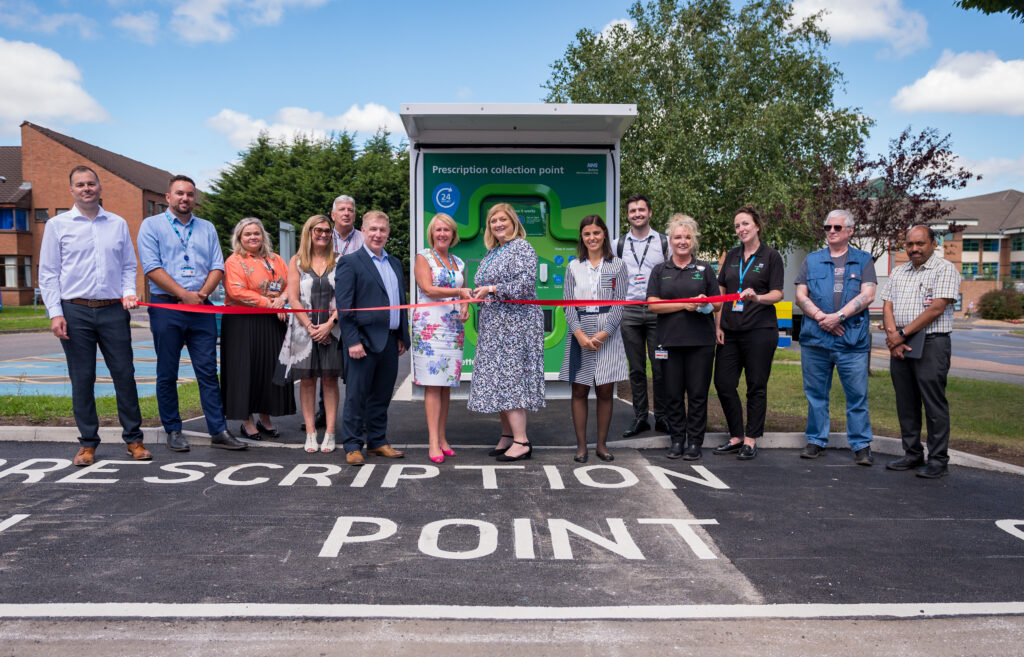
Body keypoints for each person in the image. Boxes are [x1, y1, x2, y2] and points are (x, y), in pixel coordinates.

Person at [38, 165, 150, 466]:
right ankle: (87, 443)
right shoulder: (57, 225)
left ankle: (134, 440)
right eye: (80, 185)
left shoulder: (117, 223)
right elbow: (48, 273)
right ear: (71, 190)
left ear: (100, 188)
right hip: (74, 311)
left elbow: (129, 265)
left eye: (91, 183)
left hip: (113, 310)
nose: (86, 188)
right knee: (82, 378)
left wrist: (128, 291)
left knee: (125, 375)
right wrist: (55, 313)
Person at [137, 175, 246, 452]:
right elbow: (151, 267)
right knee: (167, 372)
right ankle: (173, 430)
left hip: (201, 308)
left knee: (208, 372)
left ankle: (218, 431)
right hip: (167, 306)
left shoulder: (206, 227)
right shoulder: (151, 226)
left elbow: (217, 266)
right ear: (168, 197)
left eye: (189, 194)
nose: (185, 198)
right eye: (179, 194)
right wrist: (184, 295)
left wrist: (201, 295)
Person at [794, 209, 877, 465]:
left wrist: (838, 317)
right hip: (816, 341)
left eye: (837, 228)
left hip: (851, 342)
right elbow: (800, 295)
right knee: (816, 395)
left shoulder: (864, 260)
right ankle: (816, 440)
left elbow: (868, 295)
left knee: (857, 396)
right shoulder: (812, 259)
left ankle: (861, 445)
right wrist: (822, 318)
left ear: (850, 231)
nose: (831, 231)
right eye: (827, 227)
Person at [881, 225, 961, 479]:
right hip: (901, 342)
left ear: (933, 243)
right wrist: (894, 336)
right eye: (909, 244)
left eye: (920, 244)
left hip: (931, 342)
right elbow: (887, 304)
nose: (914, 249)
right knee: (906, 402)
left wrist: (902, 335)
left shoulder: (945, 269)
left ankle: (938, 460)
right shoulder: (898, 271)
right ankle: (912, 454)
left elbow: (936, 308)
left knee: (933, 403)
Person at [467, 203, 546, 461]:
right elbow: (485, 283)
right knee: (499, 380)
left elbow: (524, 285)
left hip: (515, 325)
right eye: (493, 221)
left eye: (502, 219)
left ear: (513, 222)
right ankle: (508, 435)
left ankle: (522, 441)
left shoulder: (522, 247)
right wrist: (478, 292)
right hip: (495, 326)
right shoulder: (493, 251)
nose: (498, 224)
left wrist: (490, 290)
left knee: (511, 380)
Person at [336, 210, 409, 466]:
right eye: (373, 229)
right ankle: (353, 445)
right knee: (356, 395)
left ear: (388, 233)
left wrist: (402, 336)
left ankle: (377, 442)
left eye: (383, 230)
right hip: (362, 342)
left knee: (381, 395)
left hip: (389, 341)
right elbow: (344, 307)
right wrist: (352, 341)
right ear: (364, 231)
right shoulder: (350, 262)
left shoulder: (395, 263)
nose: (378, 234)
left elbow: (400, 301)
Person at [712, 206, 785, 461]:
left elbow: (778, 293)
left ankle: (751, 439)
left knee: (756, 385)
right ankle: (736, 435)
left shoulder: (771, 256)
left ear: (757, 226)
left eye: (745, 224)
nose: (741, 229)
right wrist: (718, 324)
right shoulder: (731, 256)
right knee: (722, 382)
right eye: (737, 226)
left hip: (760, 331)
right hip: (730, 331)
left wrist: (758, 296)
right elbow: (721, 293)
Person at [647, 214, 721, 460]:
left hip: (701, 342)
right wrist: (684, 305)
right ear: (670, 240)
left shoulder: (705, 269)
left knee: (698, 394)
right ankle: (677, 440)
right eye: (678, 237)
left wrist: (703, 304)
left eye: (687, 237)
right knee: (673, 394)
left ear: (693, 240)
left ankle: (694, 443)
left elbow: (718, 306)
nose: (682, 241)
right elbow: (654, 306)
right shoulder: (660, 270)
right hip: (669, 341)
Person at [559, 215, 628, 463]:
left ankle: (601, 445)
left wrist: (603, 334)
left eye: (596, 233)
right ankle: (581, 446)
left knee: (605, 390)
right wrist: (578, 334)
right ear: (582, 237)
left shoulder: (618, 266)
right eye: (587, 234)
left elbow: (619, 305)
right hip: (580, 330)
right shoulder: (573, 266)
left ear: (604, 235)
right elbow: (567, 304)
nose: (592, 238)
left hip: (607, 331)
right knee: (579, 389)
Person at [221, 217, 295, 440]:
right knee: (246, 371)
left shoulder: (275, 259)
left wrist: (282, 300)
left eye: (257, 233)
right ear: (239, 238)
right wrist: (269, 304)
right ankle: (247, 421)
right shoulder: (234, 261)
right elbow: (236, 291)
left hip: (273, 322)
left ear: (263, 236)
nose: (253, 237)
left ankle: (266, 418)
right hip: (243, 323)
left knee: (269, 370)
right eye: (247, 234)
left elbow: (292, 282)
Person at [276, 215, 343, 453]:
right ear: (309, 232)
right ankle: (311, 432)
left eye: (327, 231)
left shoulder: (340, 260)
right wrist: (310, 327)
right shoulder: (297, 261)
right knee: (306, 381)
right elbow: (292, 298)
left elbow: (345, 298)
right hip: (304, 332)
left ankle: (331, 432)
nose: (324, 234)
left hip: (332, 331)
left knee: (329, 380)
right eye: (318, 230)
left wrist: (328, 325)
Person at [412, 213, 470, 463]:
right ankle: (433, 441)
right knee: (433, 385)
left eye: (447, 230)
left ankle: (443, 437)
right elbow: (428, 289)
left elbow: (464, 293)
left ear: (453, 233)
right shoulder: (423, 257)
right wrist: (459, 292)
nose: (443, 234)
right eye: (438, 230)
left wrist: (466, 306)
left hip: (453, 328)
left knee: (446, 385)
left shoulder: (458, 261)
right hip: (430, 328)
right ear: (432, 233)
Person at [303, 194, 363, 432]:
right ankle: (322, 413)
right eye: (342, 209)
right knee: (324, 368)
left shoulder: (363, 238)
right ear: (333, 214)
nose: (346, 213)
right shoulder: (322, 236)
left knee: (354, 367)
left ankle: (358, 416)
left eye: (350, 209)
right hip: (323, 311)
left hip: (354, 310)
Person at [617, 194, 670, 438]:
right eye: (632, 211)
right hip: (629, 313)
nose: (637, 214)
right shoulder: (619, 244)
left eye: (641, 210)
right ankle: (640, 417)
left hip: (657, 313)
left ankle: (661, 416)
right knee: (636, 369)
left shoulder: (664, 242)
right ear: (627, 215)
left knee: (660, 367)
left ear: (649, 212)